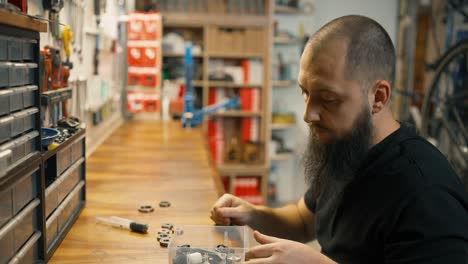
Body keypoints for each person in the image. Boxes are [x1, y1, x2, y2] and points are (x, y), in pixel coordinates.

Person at [210, 15, 468, 264]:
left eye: (328, 99)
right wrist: (253, 215)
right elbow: (302, 221)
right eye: (305, 92)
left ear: (378, 97)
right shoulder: (347, 147)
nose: (308, 114)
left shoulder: (427, 194)